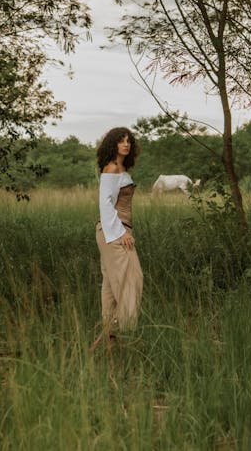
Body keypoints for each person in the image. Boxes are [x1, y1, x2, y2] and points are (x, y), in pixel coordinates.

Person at [91, 126, 143, 349]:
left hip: (118, 231)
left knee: (112, 286)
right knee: (133, 278)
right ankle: (115, 329)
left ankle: (109, 341)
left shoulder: (121, 169)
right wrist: (122, 233)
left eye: (128, 140)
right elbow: (105, 205)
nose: (126, 144)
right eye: (121, 141)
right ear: (113, 144)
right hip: (114, 231)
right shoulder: (111, 169)